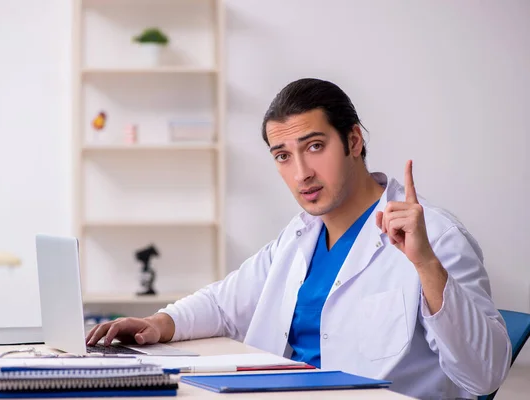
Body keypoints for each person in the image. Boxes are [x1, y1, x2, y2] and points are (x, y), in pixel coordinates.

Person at [85, 78, 511, 399]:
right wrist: (158, 324)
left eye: (315, 146)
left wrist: (426, 266)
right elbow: (224, 303)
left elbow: (483, 375)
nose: (301, 173)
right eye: (283, 156)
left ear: (354, 140)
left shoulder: (435, 236)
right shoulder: (300, 235)